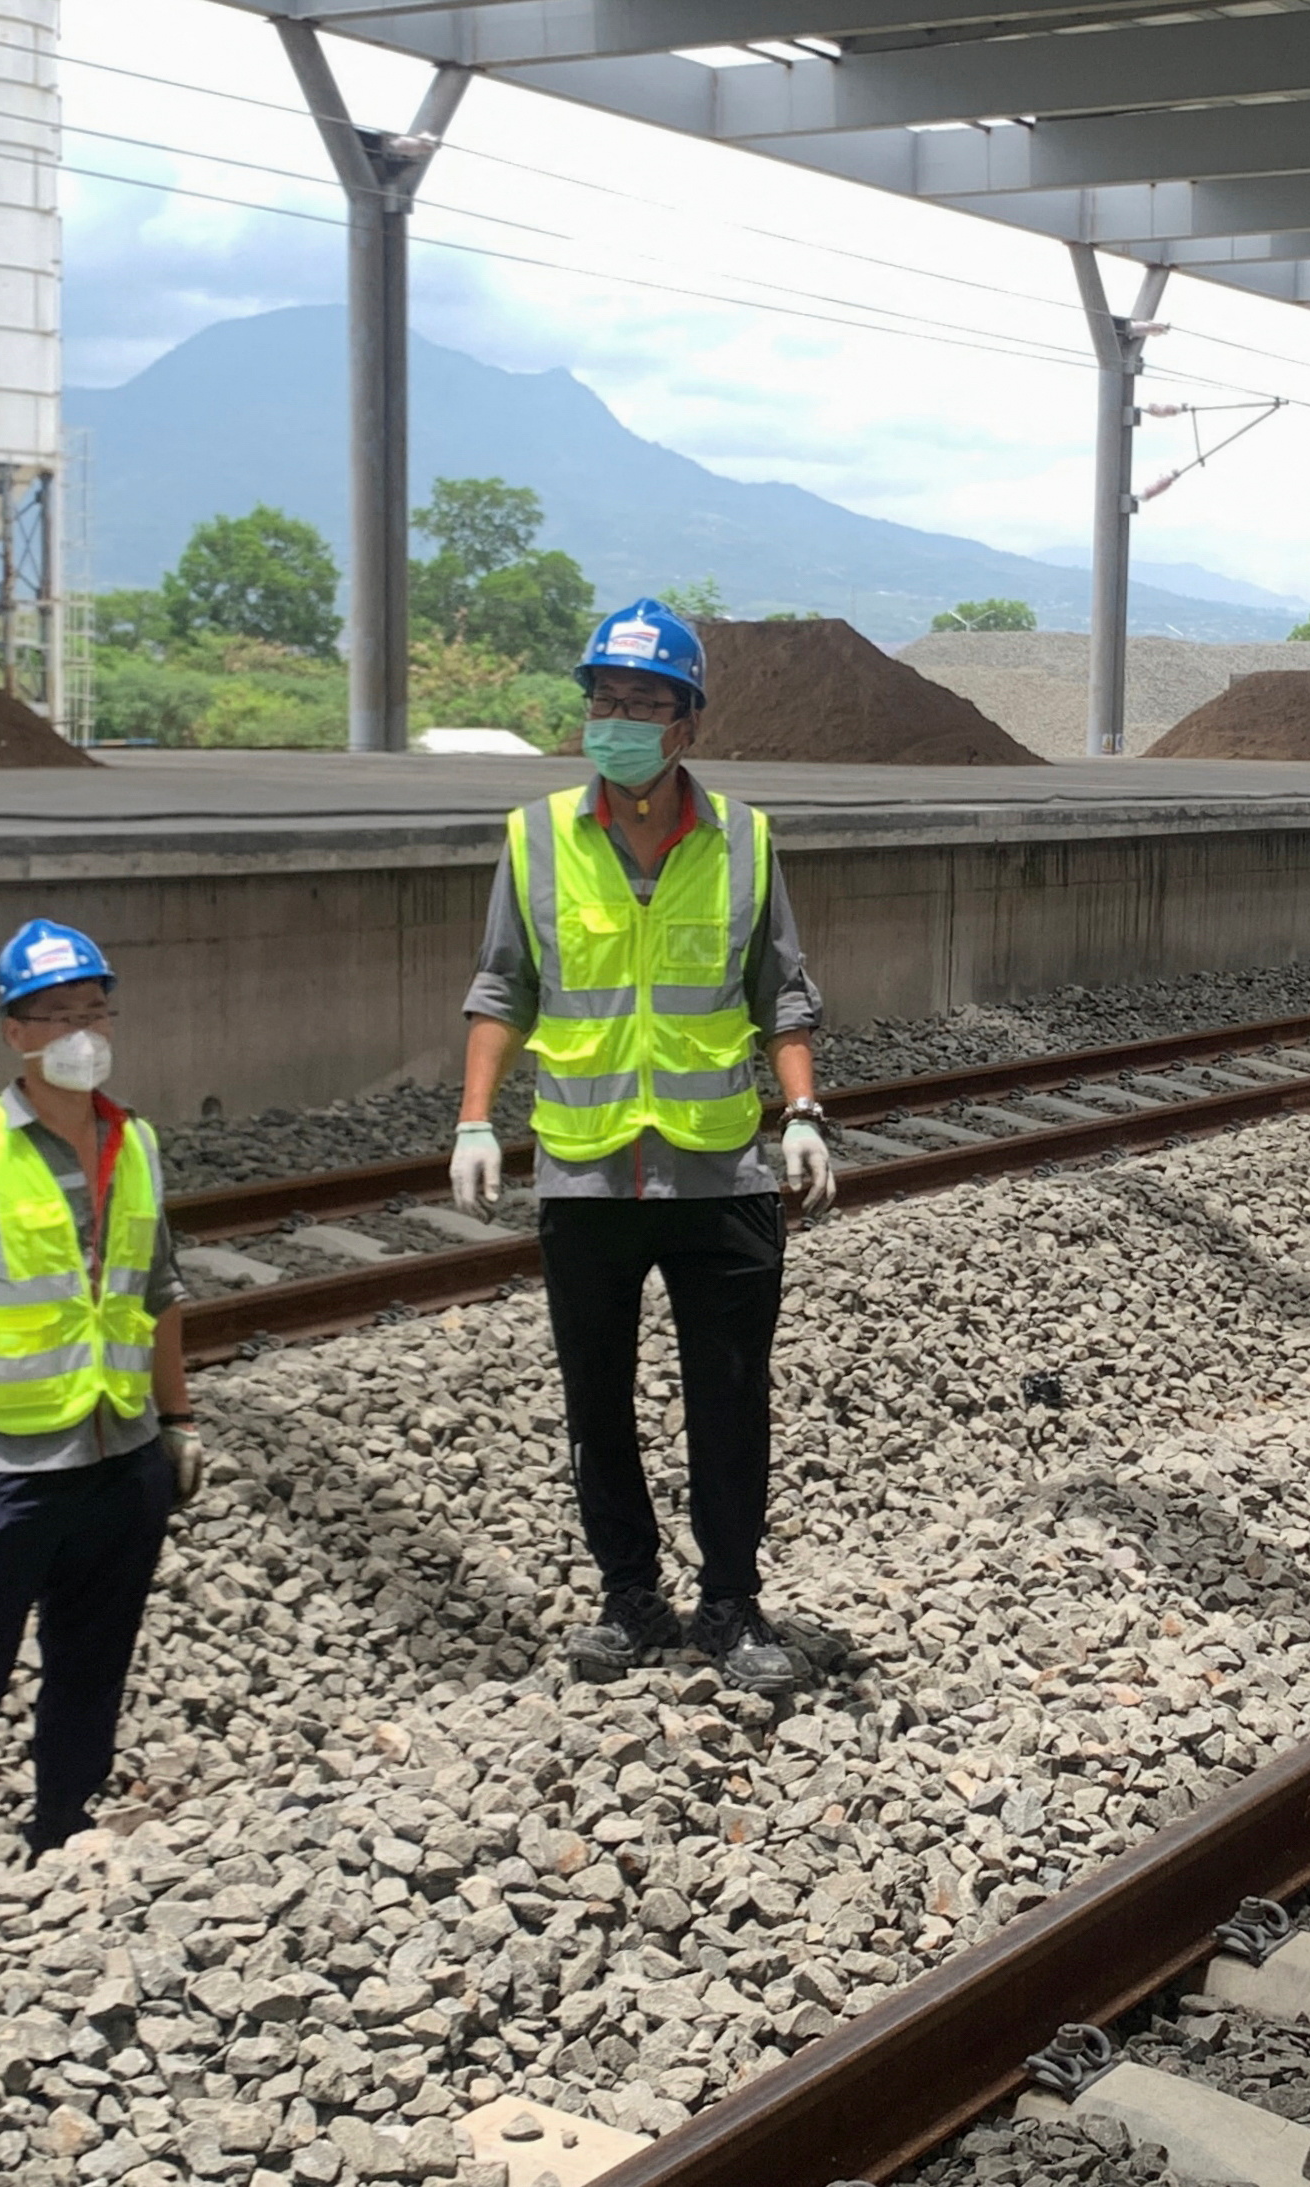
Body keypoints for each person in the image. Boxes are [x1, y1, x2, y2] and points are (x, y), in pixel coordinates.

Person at [454, 598, 836, 1695]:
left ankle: (731, 1603)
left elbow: (782, 992)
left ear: (686, 724)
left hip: (719, 1170)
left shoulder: (744, 840)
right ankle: (628, 1597)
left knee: (730, 1398)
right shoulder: (535, 838)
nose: (616, 720)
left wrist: (802, 1113)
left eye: (642, 703)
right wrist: (475, 1119)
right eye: (604, 700)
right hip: (584, 1172)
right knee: (598, 1402)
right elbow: (502, 987)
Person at [0, 919, 202, 1920]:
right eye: (56, 1015)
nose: (80, 1032)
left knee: (91, 1666)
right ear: (14, 1032)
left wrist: (178, 1419)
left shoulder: (135, 1140)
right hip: (4, 1468)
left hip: (120, 1451)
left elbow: (158, 1293)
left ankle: (63, 1836)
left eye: (94, 1010)